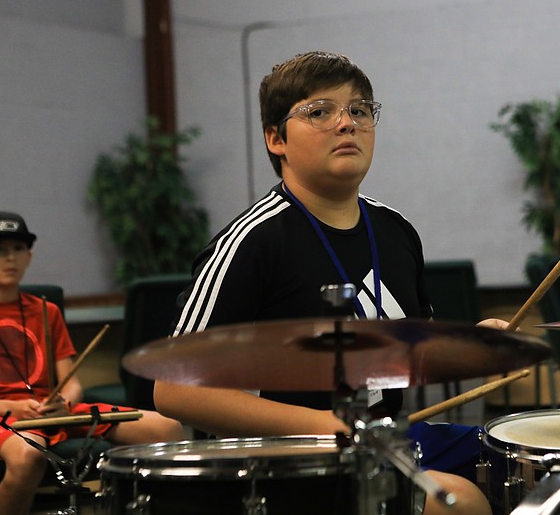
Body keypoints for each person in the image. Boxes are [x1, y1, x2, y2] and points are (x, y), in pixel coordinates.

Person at [154, 51, 501, 515]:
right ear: (276, 138)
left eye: (359, 110)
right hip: (285, 462)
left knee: (519, 459)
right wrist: (326, 425)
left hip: (382, 444)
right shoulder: (254, 241)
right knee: (457, 503)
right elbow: (175, 391)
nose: (347, 123)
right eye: (320, 112)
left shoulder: (395, 230)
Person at [0, 211, 184, 515]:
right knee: (28, 455)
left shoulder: (47, 311)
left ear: (29, 257)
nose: (10, 258)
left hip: (54, 413)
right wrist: (12, 407)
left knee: (167, 428)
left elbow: (71, 381)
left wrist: (63, 401)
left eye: (18, 249)